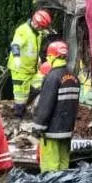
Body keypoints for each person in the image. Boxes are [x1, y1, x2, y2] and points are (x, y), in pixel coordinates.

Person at [29, 42, 81, 172]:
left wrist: (37, 128)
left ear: (53, 56)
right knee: (64, 166)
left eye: (48, 56)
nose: (47, 58)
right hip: (67, 131)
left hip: (51, 133)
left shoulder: (51, 77)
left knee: (50, 169)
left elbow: (45, 105)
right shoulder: (74, 77)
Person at [6, 10, 51, 120]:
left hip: (31, 69)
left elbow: (33, 48)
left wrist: (37, 58)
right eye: (40, 26)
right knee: (21, 96)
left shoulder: (38, 33)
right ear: (35, 22)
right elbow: (15, 44)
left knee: (42, 82)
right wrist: (16, 57)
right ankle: (18, 118)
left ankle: (25, 108)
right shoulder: (23, 30)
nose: (40, 28)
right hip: (20, 69)